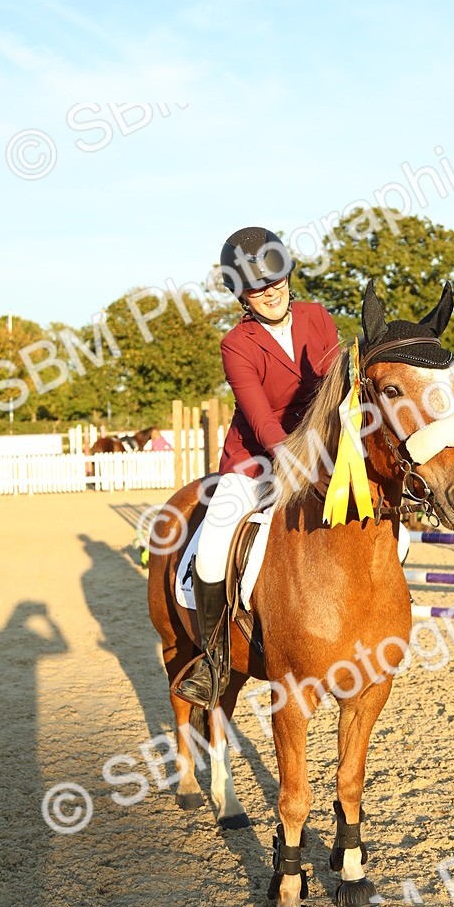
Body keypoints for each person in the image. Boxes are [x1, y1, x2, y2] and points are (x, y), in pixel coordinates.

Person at [178, 226, 340, 708]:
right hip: (254, 463)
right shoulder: (237, 344)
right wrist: (297, 465)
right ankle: (212, 660)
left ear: (288, 276)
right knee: (210, 551)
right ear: (241, 294)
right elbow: (263, 420)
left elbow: (334, 389)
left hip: (321, 452)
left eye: (276, 280)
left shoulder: (318, 318)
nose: (269, 291)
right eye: (256, 286)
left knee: (392, 531)